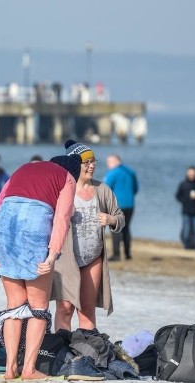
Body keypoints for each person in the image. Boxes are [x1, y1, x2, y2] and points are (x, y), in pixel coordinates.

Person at [0, 157, 77, 380]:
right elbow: (62, 218)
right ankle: (28, 369)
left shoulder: (23, 167)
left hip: (3, 225)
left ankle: (9, 368)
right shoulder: (67, 178)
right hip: (33, 225)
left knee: (14, 305)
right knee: (38, 306)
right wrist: (53, 254)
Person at [52, 140, 125, 332]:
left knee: (87, 309)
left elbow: (120, 217)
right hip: (66, 259)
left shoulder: (102, 190)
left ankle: (87, 352)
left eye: (94, 161)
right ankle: (62, 352)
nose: (92, 165)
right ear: (76, 164)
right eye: (87, 162)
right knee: (65, 308)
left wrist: (111, 219)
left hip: (93, 258)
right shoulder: (62, 188)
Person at [104, 154, 139, 261]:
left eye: (109, 162)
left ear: (116, 161)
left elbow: (105, 189)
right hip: (130, 204)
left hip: (117, 205)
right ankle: (128, 254)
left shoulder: (113, 173)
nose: (108, 164)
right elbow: (136, 188)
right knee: (126, 228)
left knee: (115, 229)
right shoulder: (130, 172)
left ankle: (116, 254)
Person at [175, 165, 195, 250]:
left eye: (193, 174)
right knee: (185, 232)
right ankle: (187, 247)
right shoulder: (183, 184)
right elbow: (177, 196)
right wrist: (184, 201)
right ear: (187, 174)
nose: (191, 175)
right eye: (190, 174)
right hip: (186, 212)